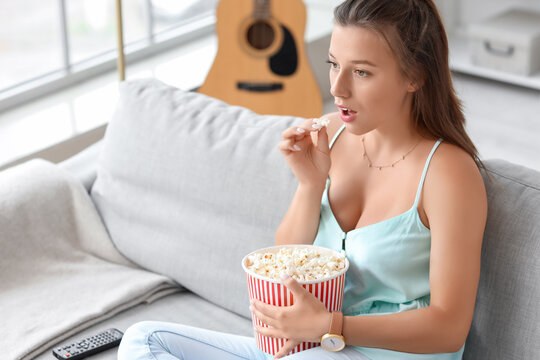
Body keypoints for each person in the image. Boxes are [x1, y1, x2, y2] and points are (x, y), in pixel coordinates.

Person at [117, 0, 487, 359]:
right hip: (309, 346)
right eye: (333, 64)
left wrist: (330, 325)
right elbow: (286, 258)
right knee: (145, 339)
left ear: (415, 76)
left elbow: (448, 327)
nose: (338, 88)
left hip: (378, 353)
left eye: (361, 72)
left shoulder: (448, 174)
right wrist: (311, 186)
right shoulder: (331, 134)